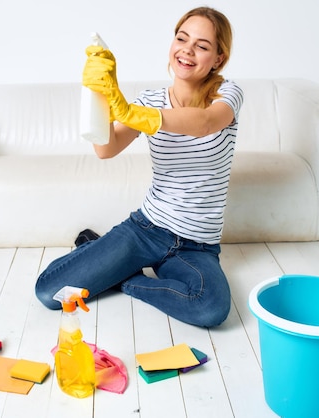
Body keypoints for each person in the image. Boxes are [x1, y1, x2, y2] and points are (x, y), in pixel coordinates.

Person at [35, 7, 243, 328]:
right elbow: (106, 150)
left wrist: (130, 111)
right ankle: (109, 261)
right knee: (50, 293)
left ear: (218, 58)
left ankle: (120, 277)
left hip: (197, 246)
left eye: (201, 46)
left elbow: (203, 123)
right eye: (181, 38)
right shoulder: (148, 101)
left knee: (210, 309)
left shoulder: (227, 95)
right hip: (146, 231)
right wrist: (101, 94)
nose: (186, 50)